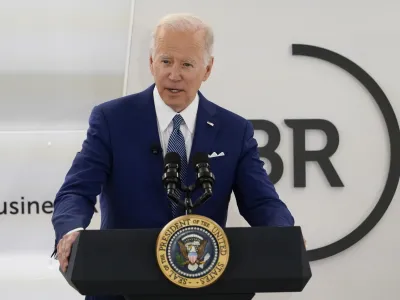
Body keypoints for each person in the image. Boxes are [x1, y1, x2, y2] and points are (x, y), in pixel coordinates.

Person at [51, 13, 295, 299]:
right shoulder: (111, 119)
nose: (174, 74)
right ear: (151, 62)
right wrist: (71, 231)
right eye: (166, 61)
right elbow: (76, 191)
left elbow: (262, 201)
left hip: (207, 288)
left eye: (187, 64)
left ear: (207, 69)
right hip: (122, 286)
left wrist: (283, 236)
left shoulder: (234, 130)